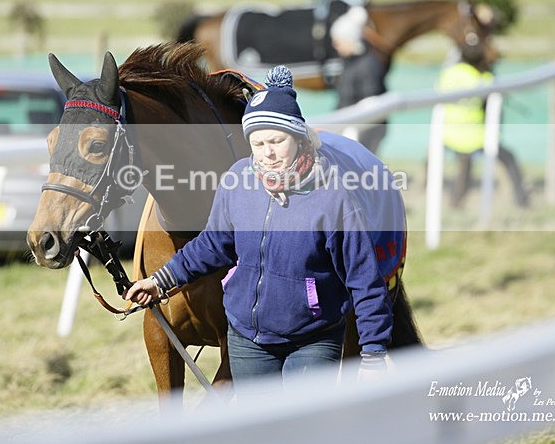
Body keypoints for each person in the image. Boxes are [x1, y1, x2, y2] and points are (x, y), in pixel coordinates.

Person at [125, 65, 400, 397]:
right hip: (248, 340)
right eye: (258, 142)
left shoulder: (334, 198)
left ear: (298, 138)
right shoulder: (237, 181)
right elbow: (212, 245)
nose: (267, 152)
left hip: (313, 337)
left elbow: (364, 280)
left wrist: (372, 353)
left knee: (302, 426)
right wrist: (160, 281)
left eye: (277, 140)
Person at [437, 42, 529, 208]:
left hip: (448, 134)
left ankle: (455, 204)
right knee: (508, 158)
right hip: (475, 136)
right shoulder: (483, 78)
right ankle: (522, 200)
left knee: (463, 166)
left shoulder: (449, 74)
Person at [329, 6, 389, 154]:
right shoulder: (349, 63)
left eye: (338, 41)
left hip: (362, 132)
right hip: (348, 128)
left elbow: (371, 102)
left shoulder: (367, 66)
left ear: (351, 41)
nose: (335, 45)